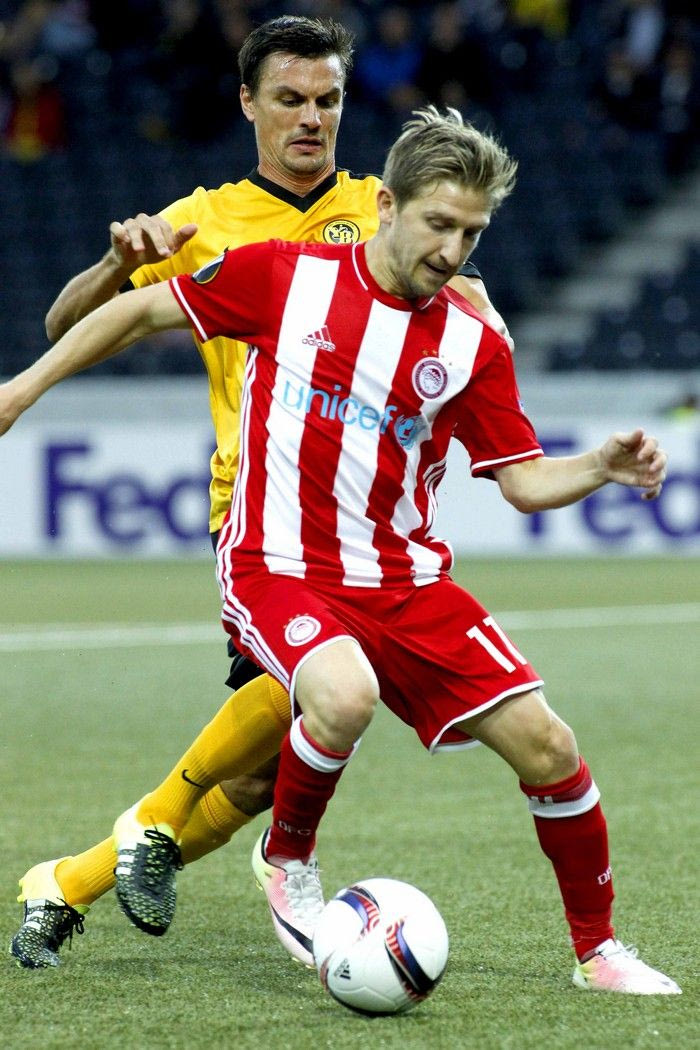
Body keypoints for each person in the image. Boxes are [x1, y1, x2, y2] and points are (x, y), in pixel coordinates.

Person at [3, 106, 680, 996]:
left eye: (472, 233)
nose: (453, 250)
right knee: (340, 693)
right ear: (387, 206)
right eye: (439, 223)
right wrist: (20, 391)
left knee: (549, 747)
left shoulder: (472, 340)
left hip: (402, 580)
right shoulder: (284, 277)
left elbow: (520, 482)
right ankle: (288, 860)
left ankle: (599, 952)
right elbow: (134, 311)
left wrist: (598, 466)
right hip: (277, 562)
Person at [4, 15, 509, 970]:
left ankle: (65, 881)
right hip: (260, 509)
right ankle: (152, 829)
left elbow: (468, 313)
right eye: (290, 99)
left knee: (253, 787)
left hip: (361, 515)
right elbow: (67, 322)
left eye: (328, 100)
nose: (311, 118)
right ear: (248, 103)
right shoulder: (207, 220)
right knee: (307, 691)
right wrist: (117, 263)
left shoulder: (383, 205)